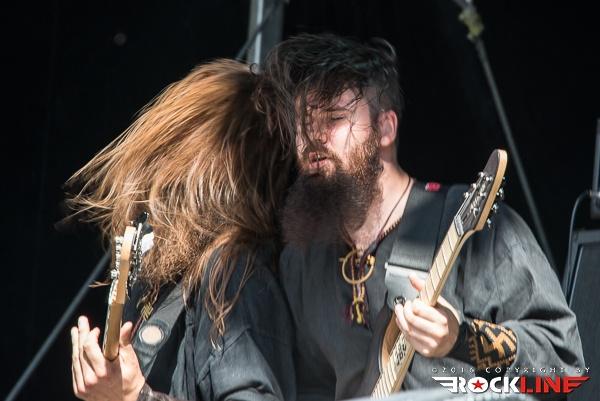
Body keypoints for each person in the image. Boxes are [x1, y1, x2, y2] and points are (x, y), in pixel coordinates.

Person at [255, 33, 586, 400]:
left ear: (385, 129)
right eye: (303, 126)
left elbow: (564, 366)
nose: (312, 140)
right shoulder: (302, 262)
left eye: (333, 118)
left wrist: (463, 340)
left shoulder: (473, 226)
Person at [67, 59, 295, 401]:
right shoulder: (165, 268)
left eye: (169, 151)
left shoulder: (233, 271)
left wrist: (138, 396)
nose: (154, 169)